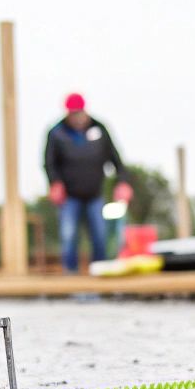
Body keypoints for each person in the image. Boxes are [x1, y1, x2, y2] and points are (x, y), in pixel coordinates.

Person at [44, 93, 133, 273]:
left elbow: (116, 160)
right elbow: (49, 162)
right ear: (67, 113)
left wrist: (123, 182)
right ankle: (71, 279)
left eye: (79, 113)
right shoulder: (57, 133)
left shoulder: (99, 129)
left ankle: (99, 276)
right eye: (73, 114)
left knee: (100, 237)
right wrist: (54, 183)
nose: (77, 117)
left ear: (85, 111)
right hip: (69, 197)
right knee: (68, 237)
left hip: (94, 195)